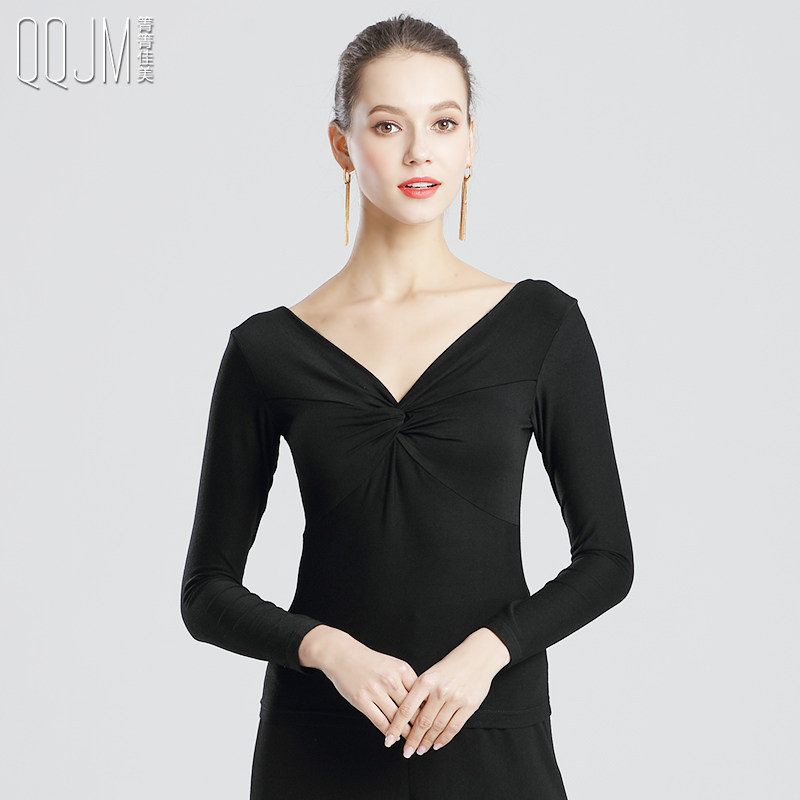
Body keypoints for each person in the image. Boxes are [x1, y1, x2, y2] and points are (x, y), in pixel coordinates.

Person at [180, 13, 634, 799]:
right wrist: (328, 651)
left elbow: (608, 559)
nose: (420, 151)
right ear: (341, 145)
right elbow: (206, 592)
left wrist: (488, 653)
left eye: (444, 123)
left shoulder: (542, 326)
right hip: (317, 742)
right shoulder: (266, 349)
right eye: (388, 125)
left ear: (470, 144)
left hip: (489, 728)